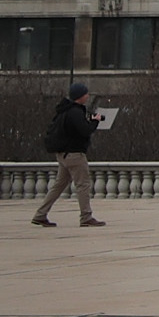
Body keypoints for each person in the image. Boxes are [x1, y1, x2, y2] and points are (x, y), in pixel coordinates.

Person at [31, 82, 103, 228]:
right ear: (80, 96)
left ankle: (40, 214)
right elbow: (85, 131)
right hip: (75, 154)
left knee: (58, 186)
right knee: (83, 185)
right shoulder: (75, 112)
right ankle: (86, 216)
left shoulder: (64, 111)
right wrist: (95, 122)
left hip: (63, 154)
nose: (87, 96)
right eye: (85, 94)